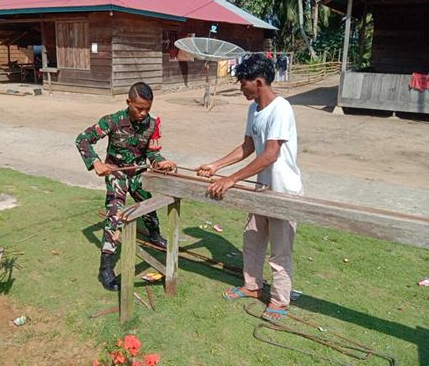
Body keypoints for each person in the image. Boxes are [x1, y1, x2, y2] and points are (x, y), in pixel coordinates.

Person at [196, 53, 303, 322]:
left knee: (280, 252)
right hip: (262, 188)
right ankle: (252, 286)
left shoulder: (281, 108)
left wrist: (231, 180)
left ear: (258, 82)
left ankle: (279, 301)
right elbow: (248, 146)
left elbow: (269, 155)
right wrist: (216, 165)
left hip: (283, 192)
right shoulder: (254, 108)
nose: (240, 88)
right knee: (252, 240)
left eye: (242, 83)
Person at [76, 82, 176, 291]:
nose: (143, 113)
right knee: (115, 216)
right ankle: (106, 267)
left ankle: (155, 235)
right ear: (128, 102)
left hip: (138, 172)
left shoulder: (153, 123)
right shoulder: (112, 121)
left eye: (147, 108)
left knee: (148, 205)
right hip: (116, 173)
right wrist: (95, 162)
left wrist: (160, 162)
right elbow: (83, 139)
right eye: (139, 108)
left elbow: (153, 153)